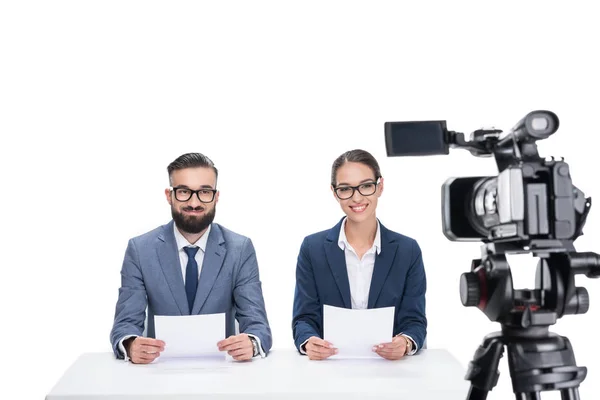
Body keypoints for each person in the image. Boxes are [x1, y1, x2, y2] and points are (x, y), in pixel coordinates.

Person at [110, 152, 272, 363]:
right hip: (158, 373)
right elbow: (125, 323)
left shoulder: (240, 249)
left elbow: (257, 323)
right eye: (184, 191)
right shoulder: (140, 249)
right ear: (169, 195)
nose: (194, 202)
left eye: (204, 192)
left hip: (223, 373)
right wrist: (131, 345)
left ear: (216, 196)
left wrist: (251, 342)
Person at [292, 149, 427, 360]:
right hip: (331, 367)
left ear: (380, 186)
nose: (357, 197)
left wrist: (405, 342)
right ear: (334, 192)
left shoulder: (407, 250)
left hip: (391, 369)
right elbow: (304, 318)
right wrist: (309, 341)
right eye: (345, 189)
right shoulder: (313, 248)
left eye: (365, 186)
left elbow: (415, 321)